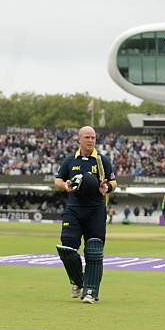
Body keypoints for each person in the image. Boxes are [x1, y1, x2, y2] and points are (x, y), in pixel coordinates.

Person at [54, 126, 117, 304]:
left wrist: (108, 187)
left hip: (96, 209)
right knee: (66, 246)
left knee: (94, 251)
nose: (91, 140)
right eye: (87, 137)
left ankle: (90, 291)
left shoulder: (102, 160)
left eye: (93, 137)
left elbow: (113, 182)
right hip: (74, 209)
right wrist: (64, 186)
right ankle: (77, 280)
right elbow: (58, 180)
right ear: (79, 139)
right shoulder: (69, 161)